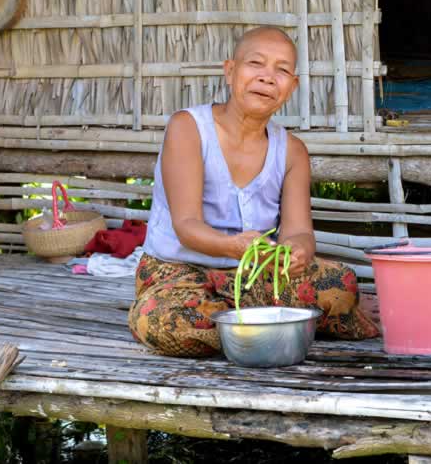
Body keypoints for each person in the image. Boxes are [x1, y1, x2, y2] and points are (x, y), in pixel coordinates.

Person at [128, 26, 380, 357]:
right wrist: (232, 247)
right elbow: (186, 226)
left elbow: (299, 231)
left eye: (282, 70)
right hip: (178, 273)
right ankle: (275, 327)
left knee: (340, 285)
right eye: (255, 64)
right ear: (231, 71)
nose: (267, 77)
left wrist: (297, 252)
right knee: (160, 321)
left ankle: (241, 326)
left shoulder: (292, 152)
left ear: (292, 87)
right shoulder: (188, 128)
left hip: (257, 275)